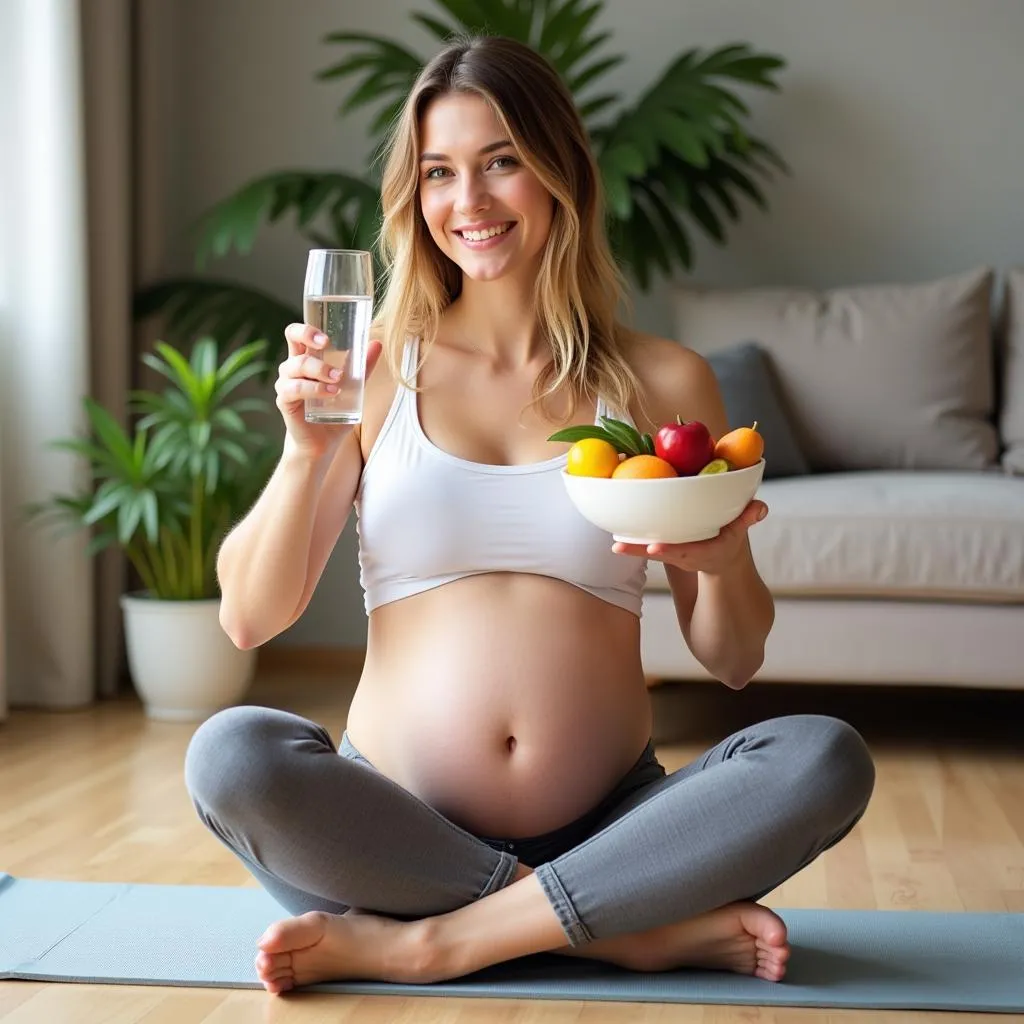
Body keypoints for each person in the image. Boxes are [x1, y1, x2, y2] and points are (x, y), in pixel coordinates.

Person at [184, 34, 875, 996]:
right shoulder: (376, 369)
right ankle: (610, 927)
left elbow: (735, 658)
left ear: (561, 174)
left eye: (501, 161)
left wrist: (719, 565)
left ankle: (435, 942)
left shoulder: (663, 381)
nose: (469, 202)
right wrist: (306, 451)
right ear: (413, 197)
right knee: (230, 754)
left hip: (615, 825)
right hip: (389, 824)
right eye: (439, 172)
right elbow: (249, 617)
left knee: (823, 759)